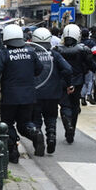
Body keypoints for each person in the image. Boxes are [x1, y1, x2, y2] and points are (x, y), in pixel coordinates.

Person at [0, 25, 45, 162]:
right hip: (29, 96)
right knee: (24, 123)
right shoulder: (31, 52)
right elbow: (39, 69)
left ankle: (13, 151)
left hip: (10, 97)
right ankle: (35, 133)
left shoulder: (5, 54)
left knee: (7, 124)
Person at [30, 27, 74, 155]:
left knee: (36, 119)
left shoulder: (31, 54)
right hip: (53, 94)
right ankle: (51, 136)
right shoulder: (54, 55)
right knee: (51, 117)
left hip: (35, 93)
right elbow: (68, 69)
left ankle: (38, 140)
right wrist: (64, 81)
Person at [56, 23, 96, 144]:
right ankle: (71, 128)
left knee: (64, 105)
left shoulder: (58, 49)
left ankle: (68, 125)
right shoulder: (83, 50)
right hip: (78, 82)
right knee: (74, 106)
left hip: (63, 82)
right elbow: (92, 66)